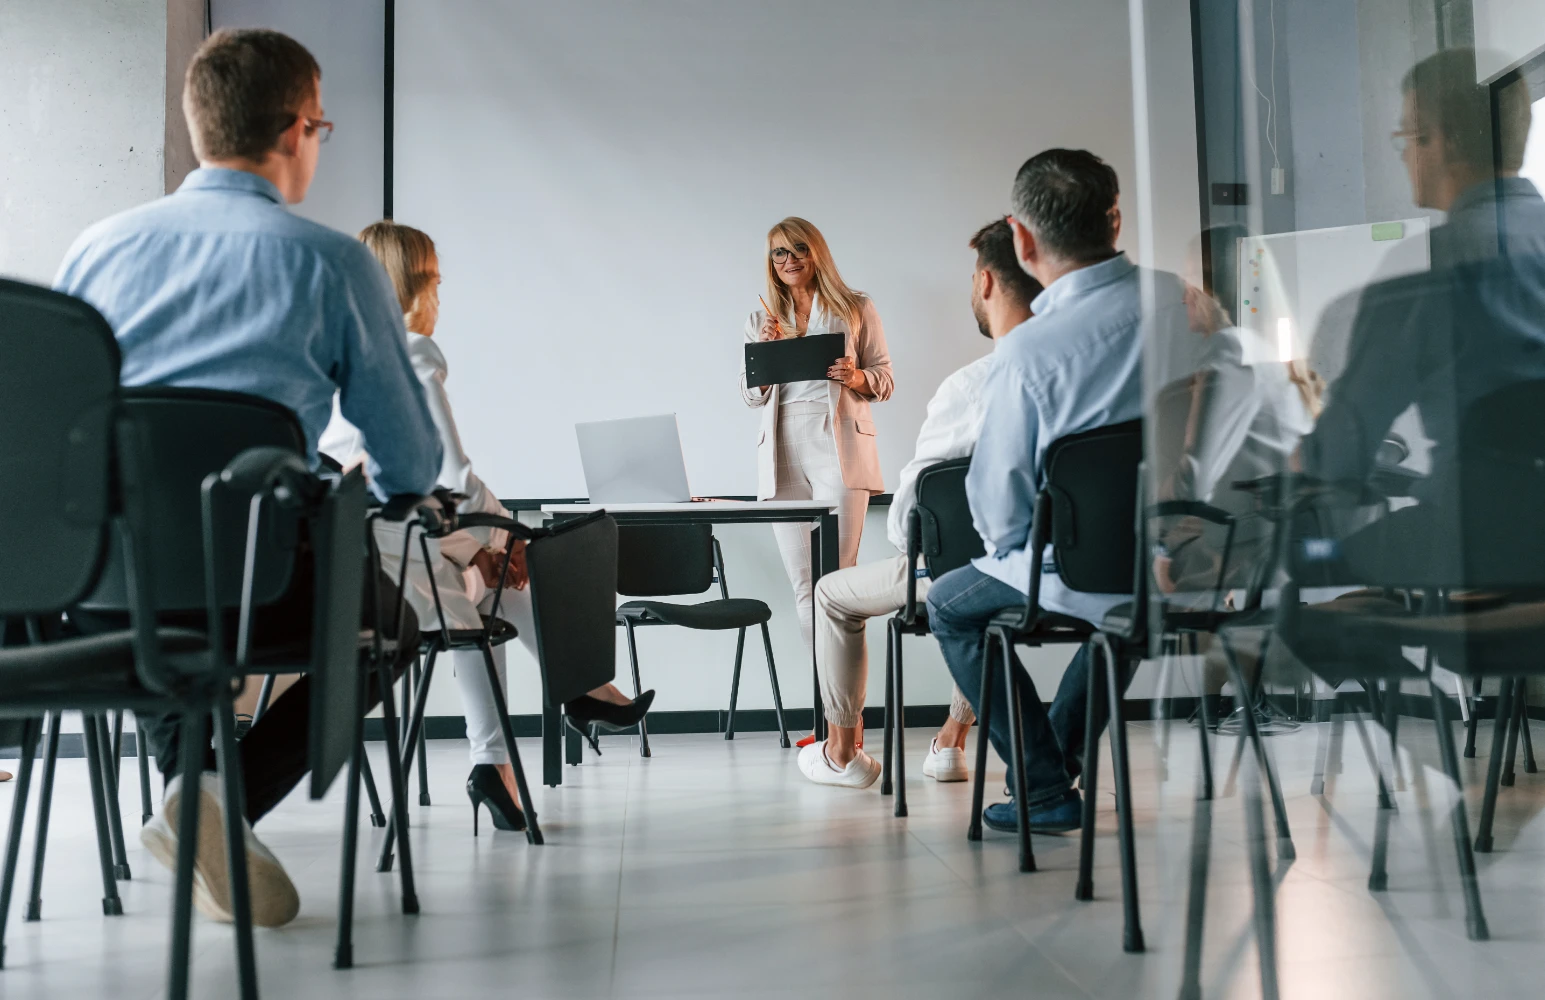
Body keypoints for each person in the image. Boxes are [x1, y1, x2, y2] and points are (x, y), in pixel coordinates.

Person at [53, 29, 441, 928]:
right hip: (265, 579)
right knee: (393, 628)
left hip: (110, 581)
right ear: (299, 129)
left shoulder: (96, 250)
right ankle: (220, 800)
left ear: (199, 128)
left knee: (162, 618)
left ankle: (194, 784)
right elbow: (412, 464)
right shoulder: (333, 262)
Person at [320, 221, 653, 832]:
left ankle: (537, 730)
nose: (442, 298)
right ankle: (565, 706)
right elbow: (450, 471)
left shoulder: (341, 359)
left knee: (497, 589)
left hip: (360, 560)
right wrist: (503, 539)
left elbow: (395, 478)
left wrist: (490, 542)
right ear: (413, 286)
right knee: (516, 582)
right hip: (406, 572)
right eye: (437, 283)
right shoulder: (411, 353)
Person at [925, 149, 1190, 833]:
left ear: (1020, 237)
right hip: (1168, 564)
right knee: (1128, 608)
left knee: (949, 607)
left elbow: (1000, 509)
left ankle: (1042, 785)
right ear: (1115, 220)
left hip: (1064, 567)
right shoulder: (1186, 305)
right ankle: (1051, 767)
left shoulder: (1029, 351)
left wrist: (1024, 550)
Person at [797, 220, 1041, 788]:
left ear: (985, 282)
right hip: (1058, 570)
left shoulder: (971, 387)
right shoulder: (1088, 378)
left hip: (965, 572)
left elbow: (914, 512)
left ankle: (841, 755)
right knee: (970, 590)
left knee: (834, 592)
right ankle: (952, 740)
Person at [1297, 48, 1545, 584]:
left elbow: (1340, 457)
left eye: (1407, 137)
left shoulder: (1433, 267)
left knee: (1302, 563)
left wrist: (1303, 454)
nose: (1403, 154)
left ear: (1444, 140)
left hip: (1478, 547)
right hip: (1521, 551)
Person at [740, 218, 894, 682]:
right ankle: (825, 711)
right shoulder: (760, 318)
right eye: (779, 254)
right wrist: (762, 357)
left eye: (798, 250)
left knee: (840, 584)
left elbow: (884, 378)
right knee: (805, 587)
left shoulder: (854, 307)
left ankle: (848, 719)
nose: (789, 261)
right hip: (782, 447)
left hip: (837, 443)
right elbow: (751, 396)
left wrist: (856, 377)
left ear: (817, 252)